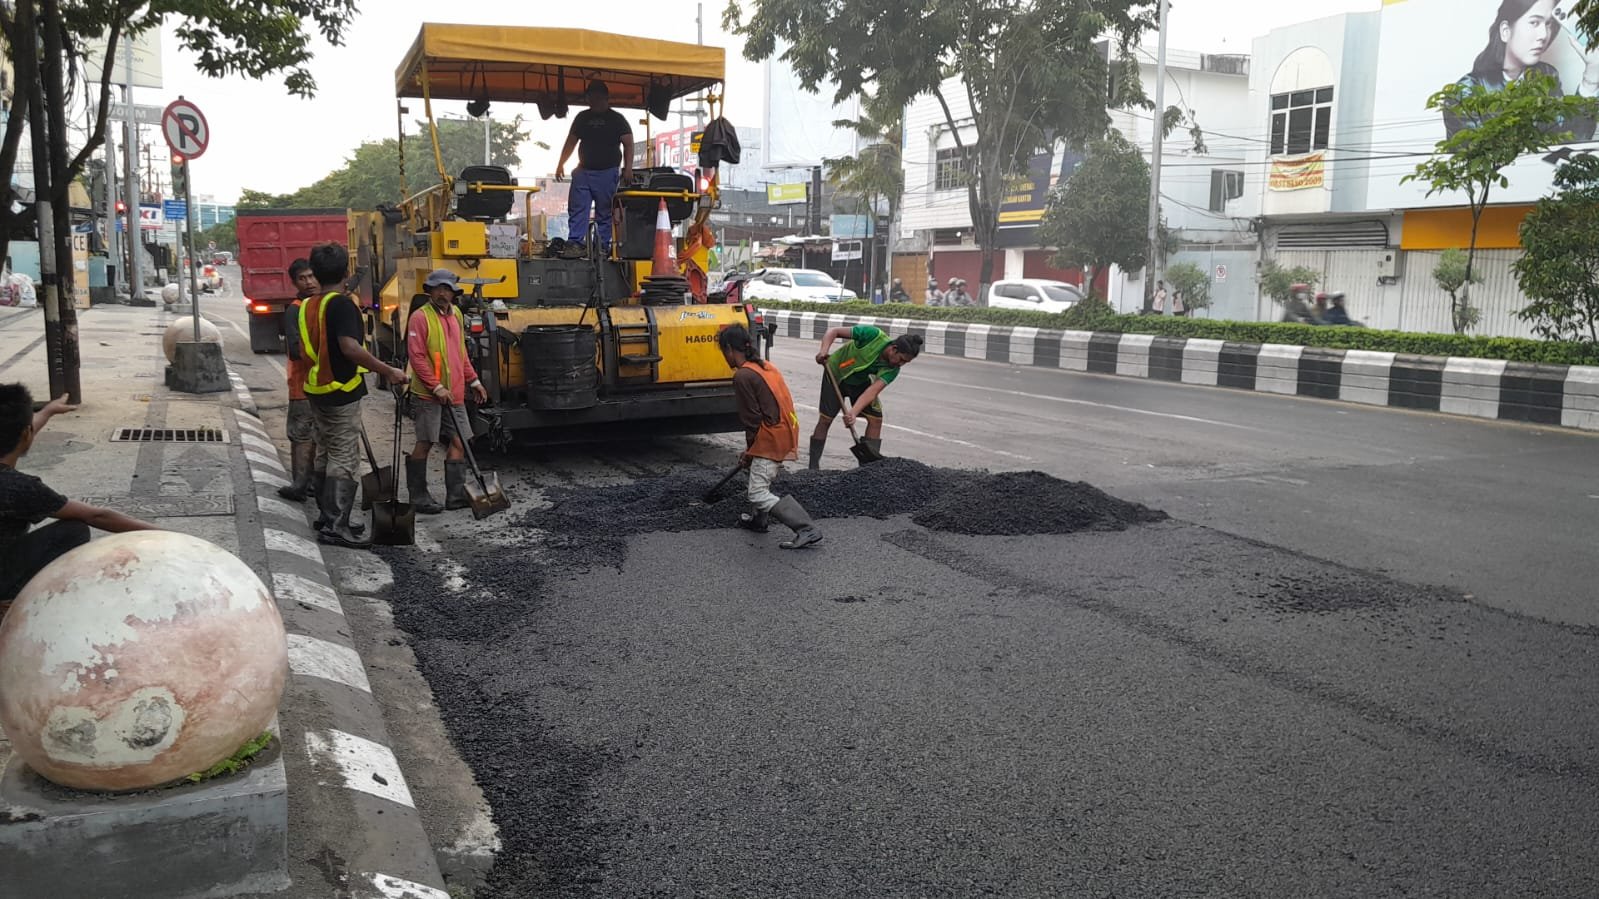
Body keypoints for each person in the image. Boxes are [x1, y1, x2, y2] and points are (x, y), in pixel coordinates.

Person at [0, 384, 158, 605]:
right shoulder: (19, 487)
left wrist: (48, 411)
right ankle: (16, 600)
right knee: (73, 530)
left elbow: (22, 431)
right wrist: (164, 534)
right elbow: (96, 516)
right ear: (26, 434)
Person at [299, 243, 408, 548]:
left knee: (324, 451)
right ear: (345, 272)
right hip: (340, 390)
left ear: (317, 273)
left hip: (317, 388)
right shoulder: (341, 305)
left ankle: (326, 516)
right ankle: (336, 526)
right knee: (344, 458)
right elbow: (350, 348)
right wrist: (387, 371)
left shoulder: (309, 305)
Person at [718, 324, 823, 550]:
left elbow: (752, 421)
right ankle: (759, 520)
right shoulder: (766, 366)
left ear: (728, 349)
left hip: (771, 437)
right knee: (759, 477)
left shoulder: (743, 376)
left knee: (757, 493)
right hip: (785, 430)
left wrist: (749, 451)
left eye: (722, 352)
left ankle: (806, 528)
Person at [1445, 0, 1599, 139]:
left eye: (1548, 24)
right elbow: (1473, 162)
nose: (1544, 35)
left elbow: (1569, 139)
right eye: (1534, 23)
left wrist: (1591, 75)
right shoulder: (1464, 93)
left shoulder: (1546, 75)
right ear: (1505, 31)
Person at [406, 270, 489, 515]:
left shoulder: (457, 315)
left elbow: (460, 354)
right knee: (426, 442)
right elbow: (417, 357)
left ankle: (454, 496)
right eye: (437, 289)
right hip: (427, 395)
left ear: (454, 292)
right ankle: (418, 496)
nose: (442, 293)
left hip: (454, 393)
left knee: (461, 440)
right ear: (429, 291)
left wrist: (473, 381)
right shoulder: (420, 317)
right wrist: (436, 386)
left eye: (447, 289)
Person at [809, 325, 925, 469]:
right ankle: (813, 467)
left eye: (905, 363)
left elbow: (872, 391)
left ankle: (868, 469)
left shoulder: (893, 369)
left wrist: (853, 412)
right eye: (901, 360)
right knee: (825, 420)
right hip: (834, 374)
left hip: (860, 383)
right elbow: (834, 331)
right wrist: (823, 351)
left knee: (876, 419)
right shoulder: (873, 335)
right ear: (894, 349)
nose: (900, 364)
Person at [554, 80, 634, 255]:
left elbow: (628, 143)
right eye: (592, 97)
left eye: (599, 98)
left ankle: (602, 246)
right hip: (583, 171)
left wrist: (628, 168)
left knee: (604, 211)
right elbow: (571, 142)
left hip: (607, 172)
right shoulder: (582, 118)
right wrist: (561, 164)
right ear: (588, 99)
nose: (595, 101)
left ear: (606, 98)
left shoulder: (617, 119)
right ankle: (575, 243)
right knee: (578, 208)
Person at [279, 259, 321, 503]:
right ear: (295, 283)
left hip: (324, 386)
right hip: (302, 386)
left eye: (312, 276)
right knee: (302, 436)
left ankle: (312, 482)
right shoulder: (295, 309)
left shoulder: (321, 304)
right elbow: (295, 350)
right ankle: (299, 484)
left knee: (318, 436)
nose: (309, 282)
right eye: (303, 278)